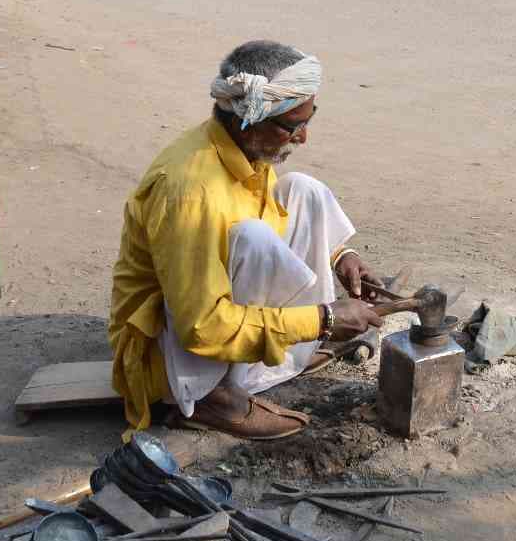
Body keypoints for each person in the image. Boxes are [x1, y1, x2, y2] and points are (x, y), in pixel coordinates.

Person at [108, 41, 385, 439]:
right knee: (252, 239)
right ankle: (210, 397)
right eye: (292, 126)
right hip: (169, 353)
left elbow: (274, 221)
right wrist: (322, 320)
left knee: (303, 190)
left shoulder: (245, 148)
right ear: (249, 119)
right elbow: (201, 327)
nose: (303, 138)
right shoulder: (191, 192)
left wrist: (340, 255)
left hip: (212, 307)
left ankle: (288, 353)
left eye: (309, 118)